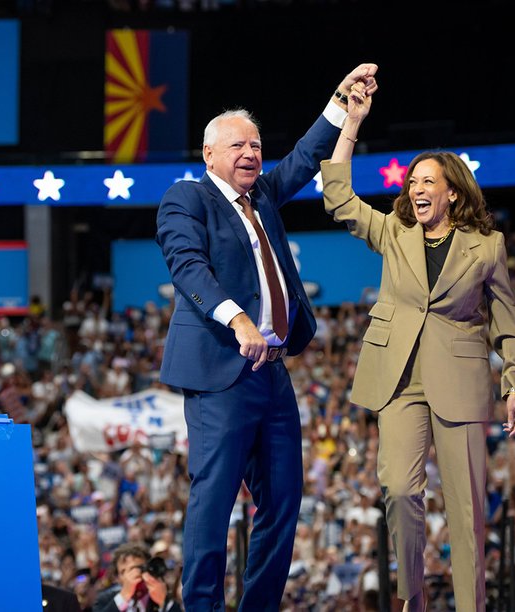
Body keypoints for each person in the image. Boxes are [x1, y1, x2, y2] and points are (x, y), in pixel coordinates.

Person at [156, 63, 378, 611]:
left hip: (271, 374)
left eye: (255, 145)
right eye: (237, 146)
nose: (250, 153)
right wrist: (236, 318)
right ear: (209, 155)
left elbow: (305, 157)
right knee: (214, 499)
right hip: (219, 373)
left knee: (282, 501)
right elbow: (187, 266)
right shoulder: (187, 199)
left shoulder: (264, 199)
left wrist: (341, 102)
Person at [320, 82, 515, 611]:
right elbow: (339, 198)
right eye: (412, 180)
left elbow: (506, 320)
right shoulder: (394, 232)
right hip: (398, 381)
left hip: (458, 382)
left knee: (466, 511)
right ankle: (414, 602)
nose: (416, 187)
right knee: (401, 493)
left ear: (452, 191)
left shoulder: (486, 247)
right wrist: (351, 124)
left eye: (427, 181)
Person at [93, 543, 181, 612]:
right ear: (118, 578)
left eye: (138, 568)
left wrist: (163, 602)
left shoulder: (164, 597)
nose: (131, 575)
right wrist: (124, 596)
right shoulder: (104, 601)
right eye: (124, 571)